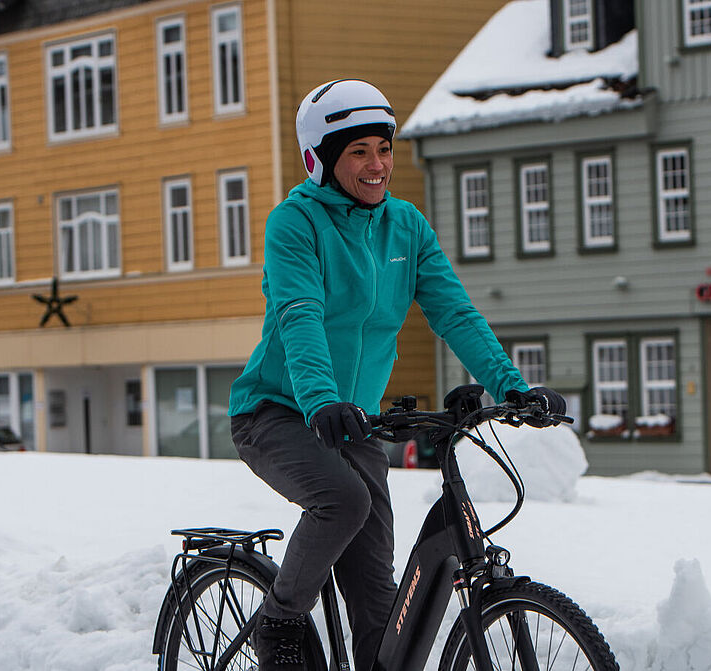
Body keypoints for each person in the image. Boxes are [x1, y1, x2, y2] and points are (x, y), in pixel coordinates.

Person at [227, 78, 565, 671]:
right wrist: (321, 400)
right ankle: (279, 621)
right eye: (358, 152)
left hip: (351, 422)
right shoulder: (295, 224)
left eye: (383, 149)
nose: (377, 165)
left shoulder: (405, 226)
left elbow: (453, 312)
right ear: (322, 161)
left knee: (378, 598)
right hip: (277, 412)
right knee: (342, 502)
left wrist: (512, 386)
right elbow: (300, 315)